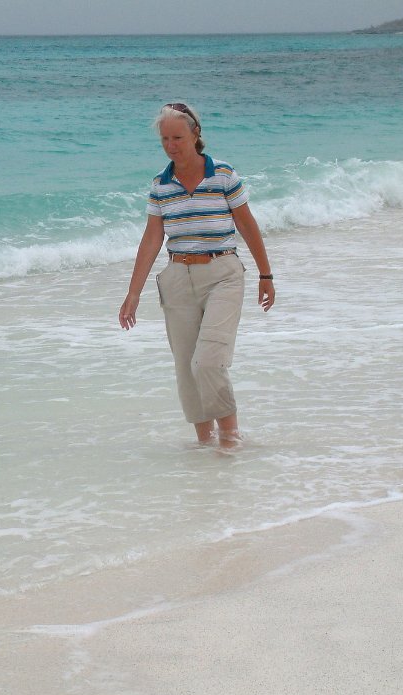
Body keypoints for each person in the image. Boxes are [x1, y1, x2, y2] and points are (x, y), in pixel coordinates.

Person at [118, 102, 275, 448]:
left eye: (177, 137)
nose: (171, 145)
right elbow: (151, 239)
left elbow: (247, 226)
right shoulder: (161, 185)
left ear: (195, 134)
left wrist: (266, 275)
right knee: (186, 368)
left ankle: (230, 437)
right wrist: (133, 293)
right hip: (177, 278)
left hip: (223, 273)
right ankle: (205, 445)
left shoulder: (222, 174)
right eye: (165, 139)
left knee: (207, 361)